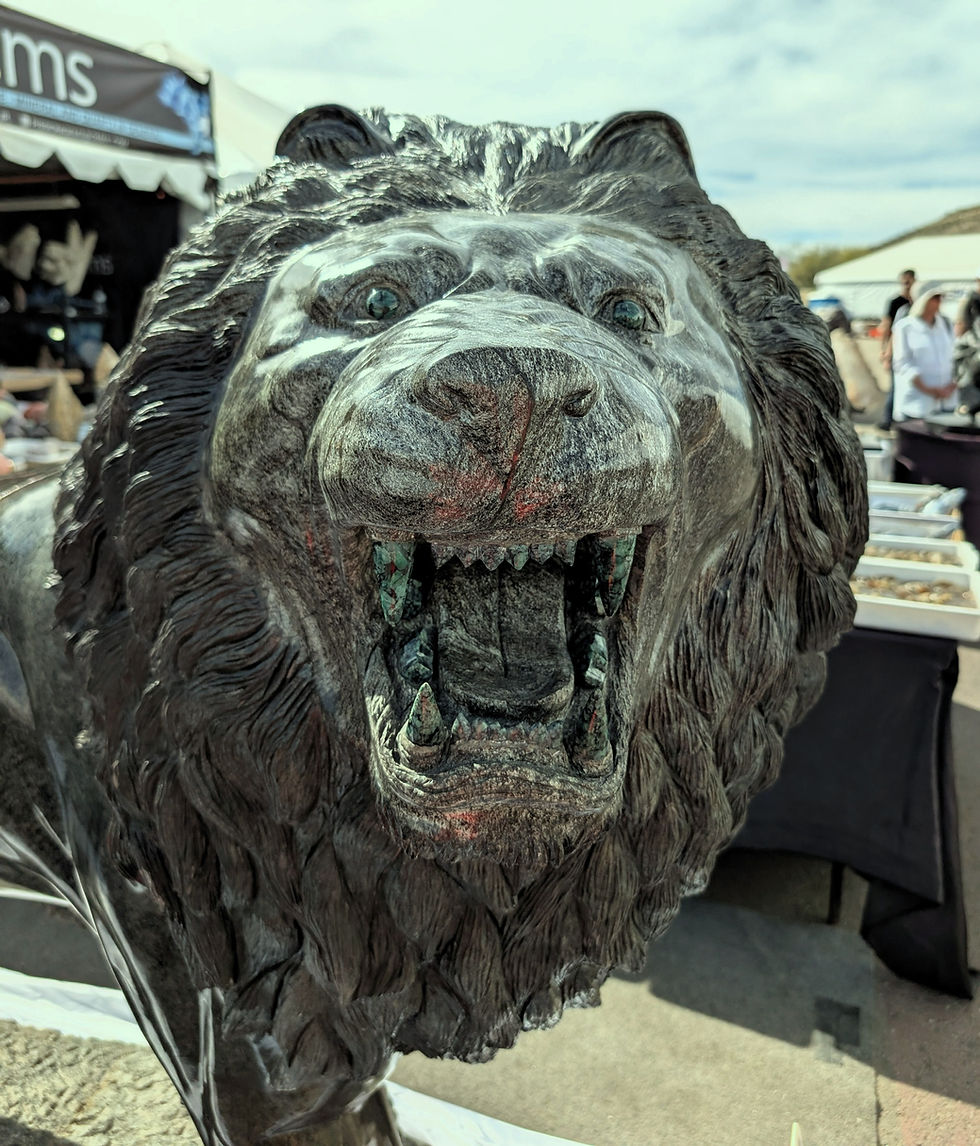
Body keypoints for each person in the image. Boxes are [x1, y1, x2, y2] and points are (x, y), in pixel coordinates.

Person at [891, 287, 956, 422]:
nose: (939, 302)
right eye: (934, 298)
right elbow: (902, 363)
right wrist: (928, 389)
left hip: (945, 401)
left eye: (940, 298)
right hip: (916, 403)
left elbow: (953, 356)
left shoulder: (946, 324)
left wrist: (951, 386)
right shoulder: (905, 327)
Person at [876, 268, 915, 430]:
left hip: (911, 349)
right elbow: (887, 326)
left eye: (909, 281)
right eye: (904, 282)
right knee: (895, 386)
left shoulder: (917, 302)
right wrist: (884, 349)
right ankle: (888, 419)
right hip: (896, 346)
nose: (907, 285)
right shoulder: (896, 303)